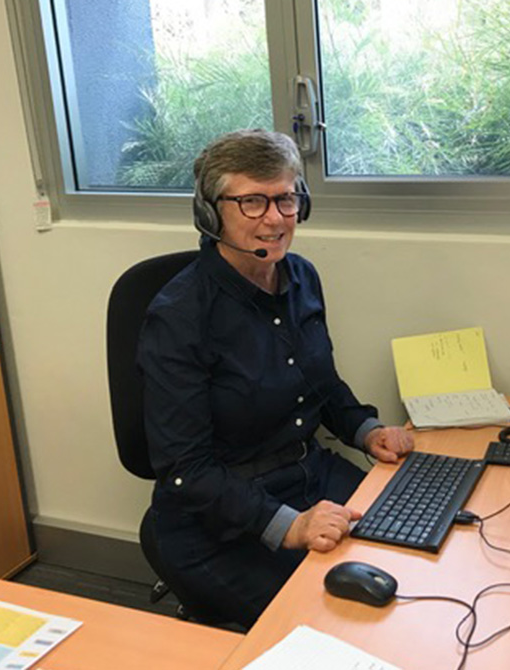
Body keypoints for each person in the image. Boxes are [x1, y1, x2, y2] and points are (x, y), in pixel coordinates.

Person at [136, 129, 413, 628]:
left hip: (311, 475)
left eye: (285, 198)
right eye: (252, 202)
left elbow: (320, 383)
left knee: (415, 553)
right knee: (333, 626)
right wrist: (290, 527)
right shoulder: (178, 316)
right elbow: (186, 470)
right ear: (209, 212)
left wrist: (367, 431)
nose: (275, 218)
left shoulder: (301, 276)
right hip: (217, 522)